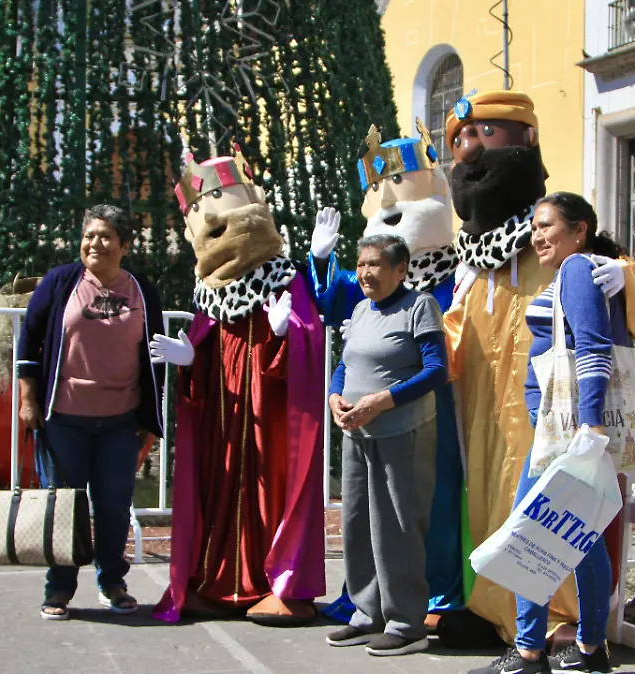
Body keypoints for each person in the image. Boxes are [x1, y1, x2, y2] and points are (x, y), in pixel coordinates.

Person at [440, 90, 635, 645]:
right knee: (496, 503)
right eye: (460, 140)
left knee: (553, 517)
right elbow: (451, 335)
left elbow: (601, 333)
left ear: (526, 140)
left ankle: (561, 625)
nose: (469, 150)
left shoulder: (568, 255)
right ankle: (494, 609)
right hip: (488, 412)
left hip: (558, 418)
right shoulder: (473, 257)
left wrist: (626, 276)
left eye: (484, 134)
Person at [150, 145, 325, 627]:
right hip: (224, 418)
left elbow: (309, 343)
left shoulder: (284, 279)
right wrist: (191, 361)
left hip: (271, 412)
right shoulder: (210, 291)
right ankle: (217, 581)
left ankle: (281, 584)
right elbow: (205, 347)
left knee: (274, 489)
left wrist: (287, 335)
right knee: (221, 488)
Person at [310, 120, 464, 626]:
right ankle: (366, 603)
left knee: (415, 508)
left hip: (428, 415)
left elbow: (439, 364)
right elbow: (337, 328)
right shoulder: (364, 296)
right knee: (359, 514)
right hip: (361, 425)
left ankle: (425, 600)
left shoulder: (447, 280)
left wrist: (386, 398)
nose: (392, 205)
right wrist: (320, 259)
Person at [471, 192, 626, 674]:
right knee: (582, 537)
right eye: (534, 227)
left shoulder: (577, 269)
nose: (536, 236)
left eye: (546, 226)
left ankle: (530, 652)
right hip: (560, 428)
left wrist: (590, 422)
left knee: (529, 532)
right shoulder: (573, 271)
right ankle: (590, 650)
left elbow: (594, 347)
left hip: (565, 431)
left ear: (578, 231)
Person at [16, 203, 166, 621]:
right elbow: (29, 341)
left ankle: (112, 582)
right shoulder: (60, 282)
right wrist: (28, 399)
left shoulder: (141, 290)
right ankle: (59, 589)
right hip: (64, 418)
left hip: (120, 420)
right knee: (65, 507)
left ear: (125, 245)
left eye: (105, 236)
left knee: (114, 506)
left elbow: (154, 355)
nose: (95, 243)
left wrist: (148, 418)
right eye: (89, 236)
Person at [324, 233, 449, 657]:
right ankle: (366, 613)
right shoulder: (361, 309)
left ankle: (406, 623)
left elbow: (436, 370)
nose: (364, 273)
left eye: (374, 264)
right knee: (357, 525)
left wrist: (382, 401)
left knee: (398, 527)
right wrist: (335, 396)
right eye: (360, 264)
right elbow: (345, 364)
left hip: (403, 433)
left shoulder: (419, 306)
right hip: (357, 434)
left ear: (400, 270)